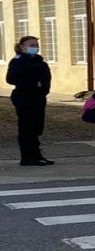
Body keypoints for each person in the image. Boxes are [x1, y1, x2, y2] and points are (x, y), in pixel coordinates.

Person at [5, 36, 53, 167]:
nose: (34, 47)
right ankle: (27, 157)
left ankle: (36, 154)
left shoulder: (39, 61)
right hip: (24, 97)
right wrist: (34, 84)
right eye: (31, 45)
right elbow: (11, 79)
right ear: (22, 47)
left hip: (38, 97)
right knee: (27, 127)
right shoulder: (18, 61)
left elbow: (46, 78)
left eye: (36, 44)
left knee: (37, 127)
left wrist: (43, 88)